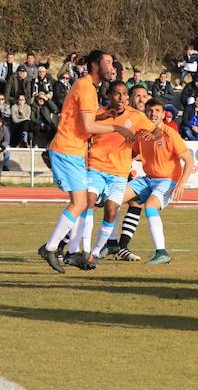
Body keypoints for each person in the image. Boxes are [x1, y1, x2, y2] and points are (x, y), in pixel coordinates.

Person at [38, 50, 135, 274]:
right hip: (66, 149)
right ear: (95, 65)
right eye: (108, 62)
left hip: (74, 150)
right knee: (80, 203)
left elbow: (85, 121)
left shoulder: (88, 87)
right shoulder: (85, 86)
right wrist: (117, 127)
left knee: (82, 203)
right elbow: (89, 127)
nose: (112, 66)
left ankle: (69, 252)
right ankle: (51, 247)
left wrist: (105, 115)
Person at [63, 81, 156, 270]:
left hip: (119, 173)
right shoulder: (97, 115)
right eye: (117, 94)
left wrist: (152, 137)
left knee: (112, 210)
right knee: (87, 201)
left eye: (124, 94)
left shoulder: (137, 117)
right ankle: (83, 250)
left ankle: (97, 252)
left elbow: (157, 133)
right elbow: (78, 133)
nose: (121, 98)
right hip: (96, 168)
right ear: (109, 95)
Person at [97, 97, 195, 266]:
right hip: (147, 179)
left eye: (157, 111)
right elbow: (132, 152)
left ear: (164, 115)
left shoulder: (170, 134)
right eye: (150, 110)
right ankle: (112, 244)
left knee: (150, 207)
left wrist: (181, 184)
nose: (153, 114)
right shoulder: (142, 134)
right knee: (113, 199)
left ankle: (161, 252)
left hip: (167, 181)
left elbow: (189, 160)